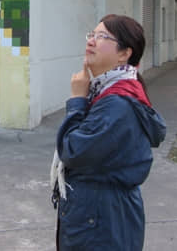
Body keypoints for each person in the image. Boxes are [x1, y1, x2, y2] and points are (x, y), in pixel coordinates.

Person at [50, 14, 166, 250]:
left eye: (102, 36)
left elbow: (72, 151)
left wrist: (77, 101)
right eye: (91, 35)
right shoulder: (109, 92)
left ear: (125, 53)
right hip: (98, 214)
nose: (91, 41)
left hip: (100, 222)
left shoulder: (117, 104)